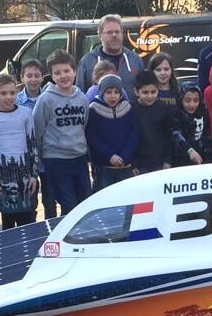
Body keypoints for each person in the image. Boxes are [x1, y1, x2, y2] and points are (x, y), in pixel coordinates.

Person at [33, 50, 90, 213]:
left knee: (84, 203)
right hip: (56, 159)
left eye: (66, 71)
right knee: (69, 205)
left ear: (74, 71)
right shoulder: (46, 99)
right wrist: (41, 157)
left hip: (79, 157)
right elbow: (37, 131)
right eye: (57, 73)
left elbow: (83, 125)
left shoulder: (82, 98)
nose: (63, 76)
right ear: (51, 75)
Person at [0, 74, 40, 229]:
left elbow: (32, 144)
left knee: (28, 220)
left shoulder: (25, 112)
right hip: (2, 177)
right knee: (7, 222)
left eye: (12, 93)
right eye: (3, 93)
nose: (9, 97)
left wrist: (34, 174)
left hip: (25, 175)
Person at [16, 60, 56, 218]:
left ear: (42, 77)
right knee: (29, 200)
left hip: (46, 154)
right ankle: (32, 231)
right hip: (26, 157)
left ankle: (51, 230)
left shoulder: (49, 97)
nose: (33, 79)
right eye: (29, 75)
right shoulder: (17, 100)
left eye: (37, 76)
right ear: (22, 77)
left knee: (49, 197)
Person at [85, 74, 139, 191]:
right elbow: (92, 138)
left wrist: (126, 155)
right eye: (108, 92)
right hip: (104, 166)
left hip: (125, 165)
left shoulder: (127, 108)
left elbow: (133, 133)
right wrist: (109, 155)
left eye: (116, 92)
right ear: (102, 93)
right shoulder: (94, 109)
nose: (113, 96)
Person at [76, 14, 143, 93]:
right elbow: (79, 94)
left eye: (117, 32)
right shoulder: (87, 62)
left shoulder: (135, 60)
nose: (114, 35)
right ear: (100, 36)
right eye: (109, 32)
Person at [132, 70, 175, 174]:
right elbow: (128, 139)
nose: (150, 96)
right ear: (136, 92)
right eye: (145, 92)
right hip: (139, 164)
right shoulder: (130, 109)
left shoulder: (163, 108)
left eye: (153, 92)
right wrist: (132, 164)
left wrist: (167, 160)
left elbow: (168, 135)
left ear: (158, 90)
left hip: (159, 162)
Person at [172, 83, 212, 167]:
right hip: (180, 161)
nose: (192, 105)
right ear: (181, 99)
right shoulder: (175, 113)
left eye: (196, 100)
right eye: (187, 101)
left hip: (202, 158)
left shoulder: (203, 112)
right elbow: (176, 134)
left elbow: (207, 134)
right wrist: (190, 150)